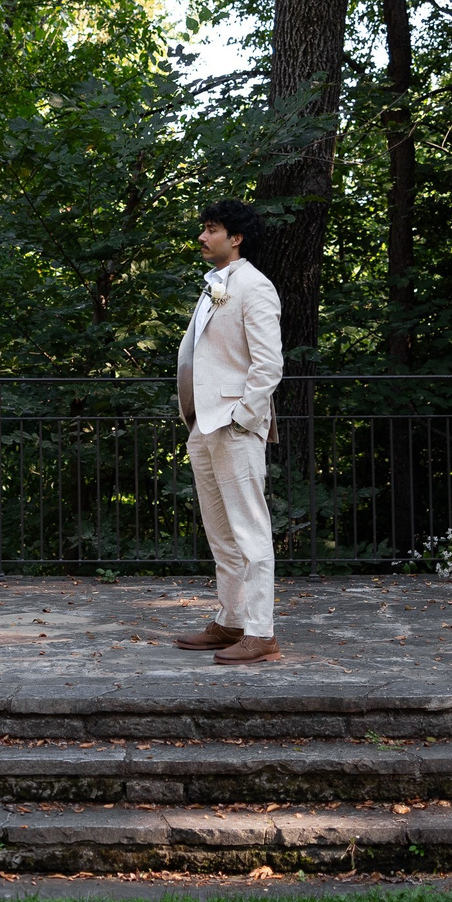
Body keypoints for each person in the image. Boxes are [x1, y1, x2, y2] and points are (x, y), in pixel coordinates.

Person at [171, 200, 284, 663]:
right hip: (204, 426)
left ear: (235, 237)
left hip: (234, 426)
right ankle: (231, 620)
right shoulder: (215, 286)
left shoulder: (254, 286)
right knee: (220, 534)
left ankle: (262, 633)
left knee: (250, 532)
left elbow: (269, 364)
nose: (202, 237)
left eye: (211, 229)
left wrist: (242, 416)